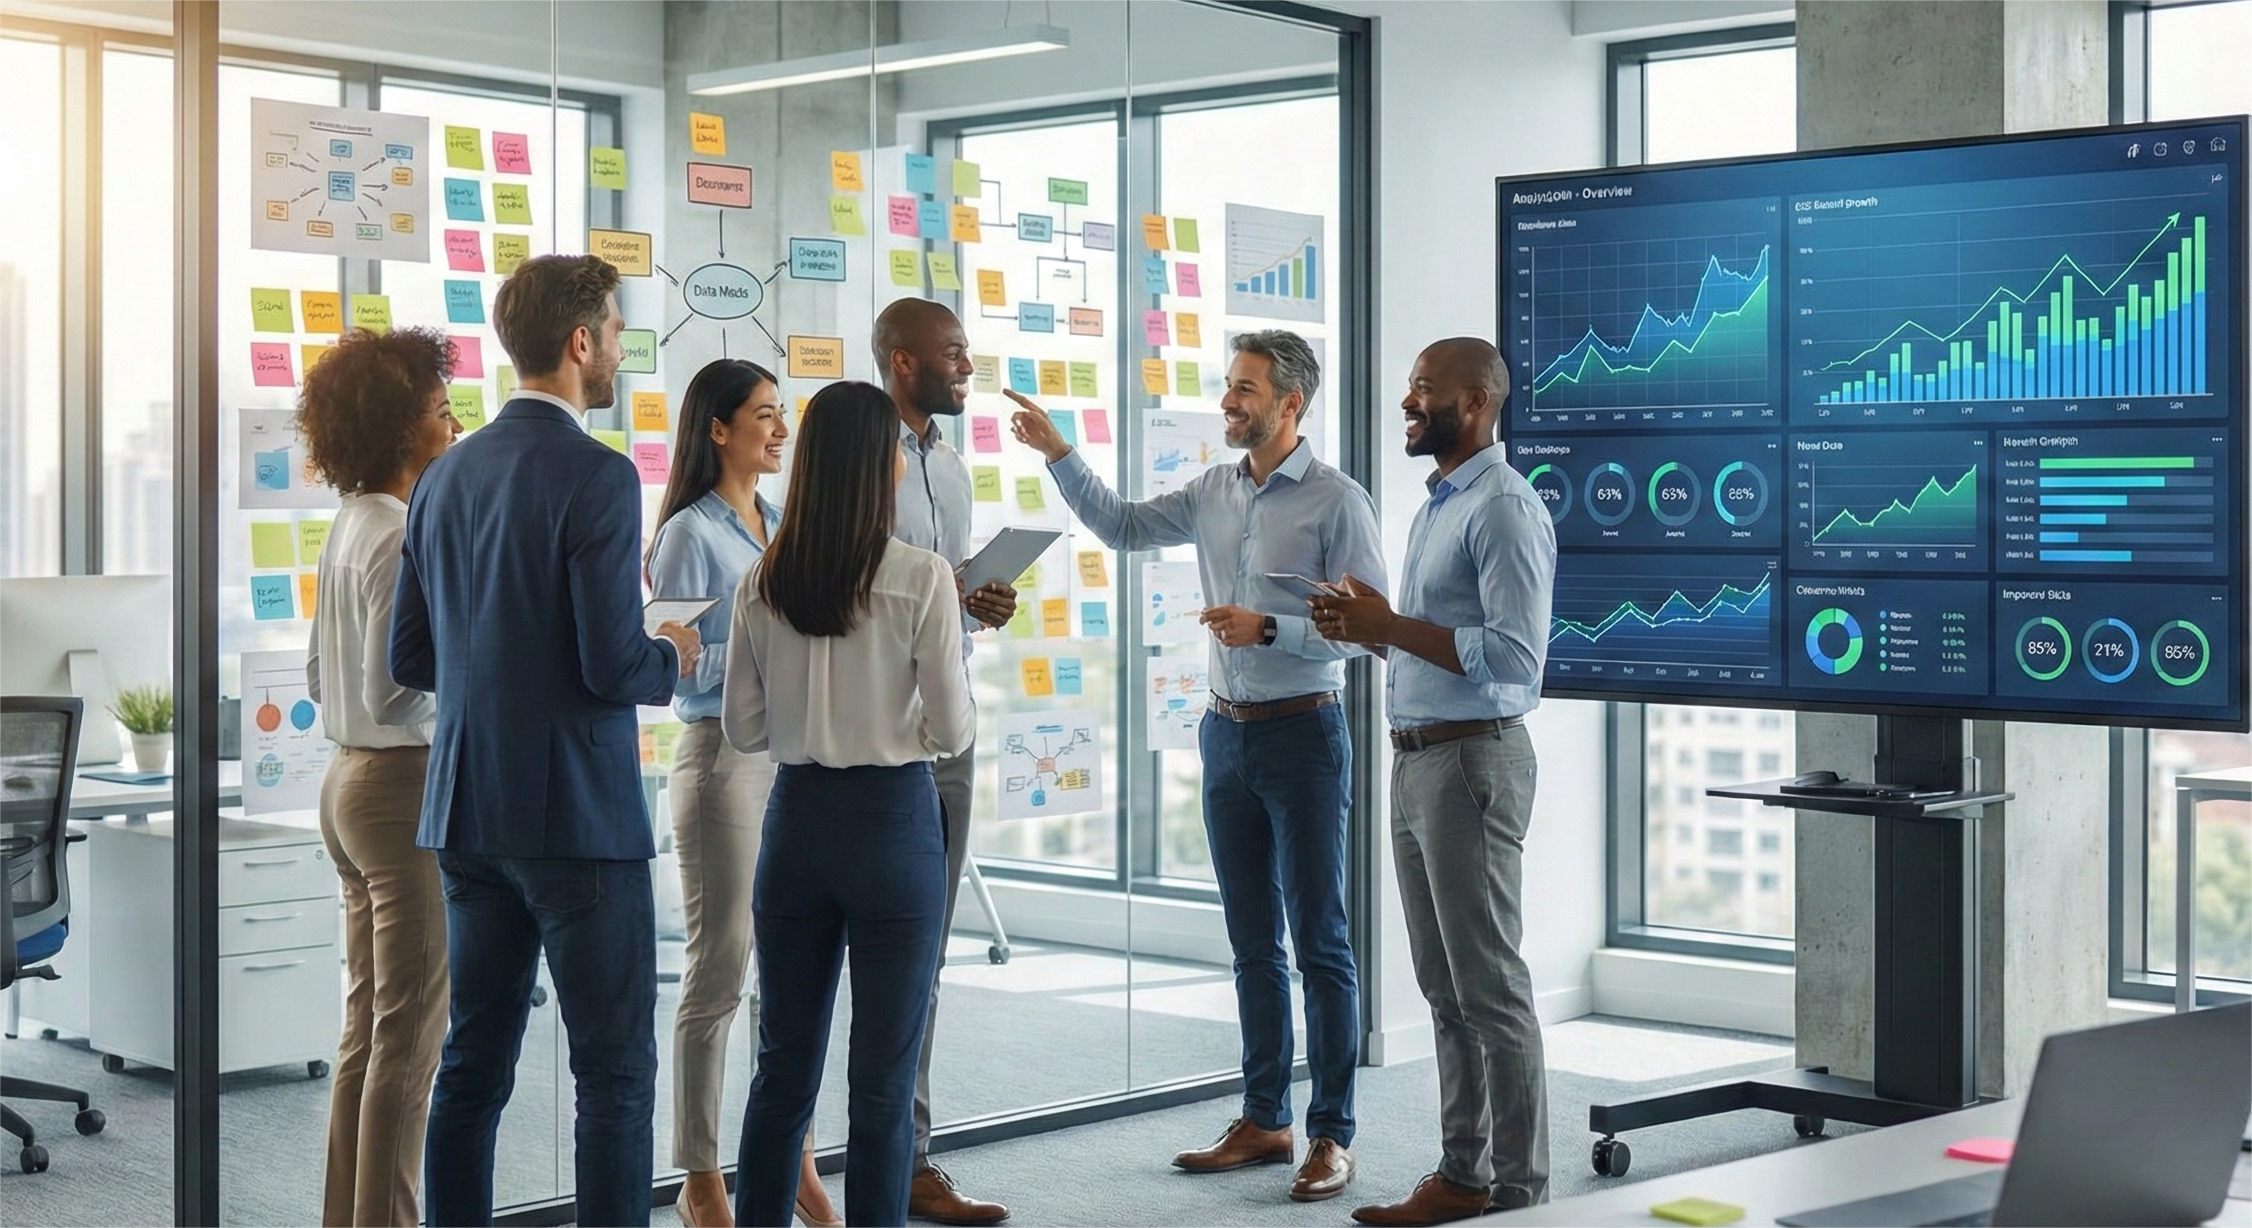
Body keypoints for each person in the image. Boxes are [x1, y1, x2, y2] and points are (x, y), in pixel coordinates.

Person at [1006, 329, 1385, 1204]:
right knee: (1254, 943)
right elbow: (1127, 528)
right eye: (1228, 386)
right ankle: (1265, 1118)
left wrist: (1273, 630)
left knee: (1322, 943)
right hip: (1224, 737)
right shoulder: (1216, 489)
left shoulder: (1338, 501)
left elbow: (1370, 633)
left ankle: (1332, 1134)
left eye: (1245, 389)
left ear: (1290, 404)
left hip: (1305, 737)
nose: (1228, 401)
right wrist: (1062, 453)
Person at [391, 253, 701, 1228]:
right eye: (613, 332)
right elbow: (615, 666)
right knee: (613, 1074)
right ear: (580, 343)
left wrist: (502, 665)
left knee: (471, 1067)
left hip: (466, 813)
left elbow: (412, 652)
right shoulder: (599, 475)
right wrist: (673, 653)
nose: (618, 349)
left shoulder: (445, 474)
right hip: (577, 820)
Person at [1309, 338, 1555, 1226]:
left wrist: (1394, 626)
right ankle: (1464, 1176)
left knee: (1491, 989)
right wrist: (1365, 624)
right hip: (1417, 757)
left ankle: (1523, 1198)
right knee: (1444, 990)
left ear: (1478, 403)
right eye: (1409, 389)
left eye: (1424, 391)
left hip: (1472, 763)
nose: (1408, 402)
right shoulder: (1438, 506)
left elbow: (1515, 663)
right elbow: (1431, 642)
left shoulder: (1503, 509)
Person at [722, 380, 976, 1228]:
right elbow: (953, 727)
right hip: (893, 826)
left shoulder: (763, 577)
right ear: (880, 469)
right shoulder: (920, 577)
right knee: (883, 1078)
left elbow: (744, 728)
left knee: (781, 1068)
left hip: (796, 826)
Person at [646, 360, 840, 1228]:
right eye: (763, 415)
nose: (780, 429)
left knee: (788, 977)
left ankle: (792, 1156)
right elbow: (678, 666)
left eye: (783, 414)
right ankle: (699, 1178)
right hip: (719, 759)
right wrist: (764, 654)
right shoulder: (690, 532)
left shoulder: (783, 522)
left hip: (790, 763)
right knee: (719, 970)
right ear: (717, 429)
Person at [299, 326, 460, 1228]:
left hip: (347, 784)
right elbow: (397, 693)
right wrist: (468, 691)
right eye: (441, 412)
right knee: (409, 1040)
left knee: (368, 1030)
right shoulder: (400, 533)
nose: (452, 425)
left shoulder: (352, 522)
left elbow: (326, 682)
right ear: (404, 430)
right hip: (400, 790)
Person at [871, 298, 1015, 1225]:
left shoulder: (953, 468)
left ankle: (910, 1157)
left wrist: (977, 604)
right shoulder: (853, 460)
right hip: (871, 734)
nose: (966, 367)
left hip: (946, 725)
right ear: (900, 363)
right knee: (863, 958)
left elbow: (941, 596)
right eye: (951, 354)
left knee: (922, 955)